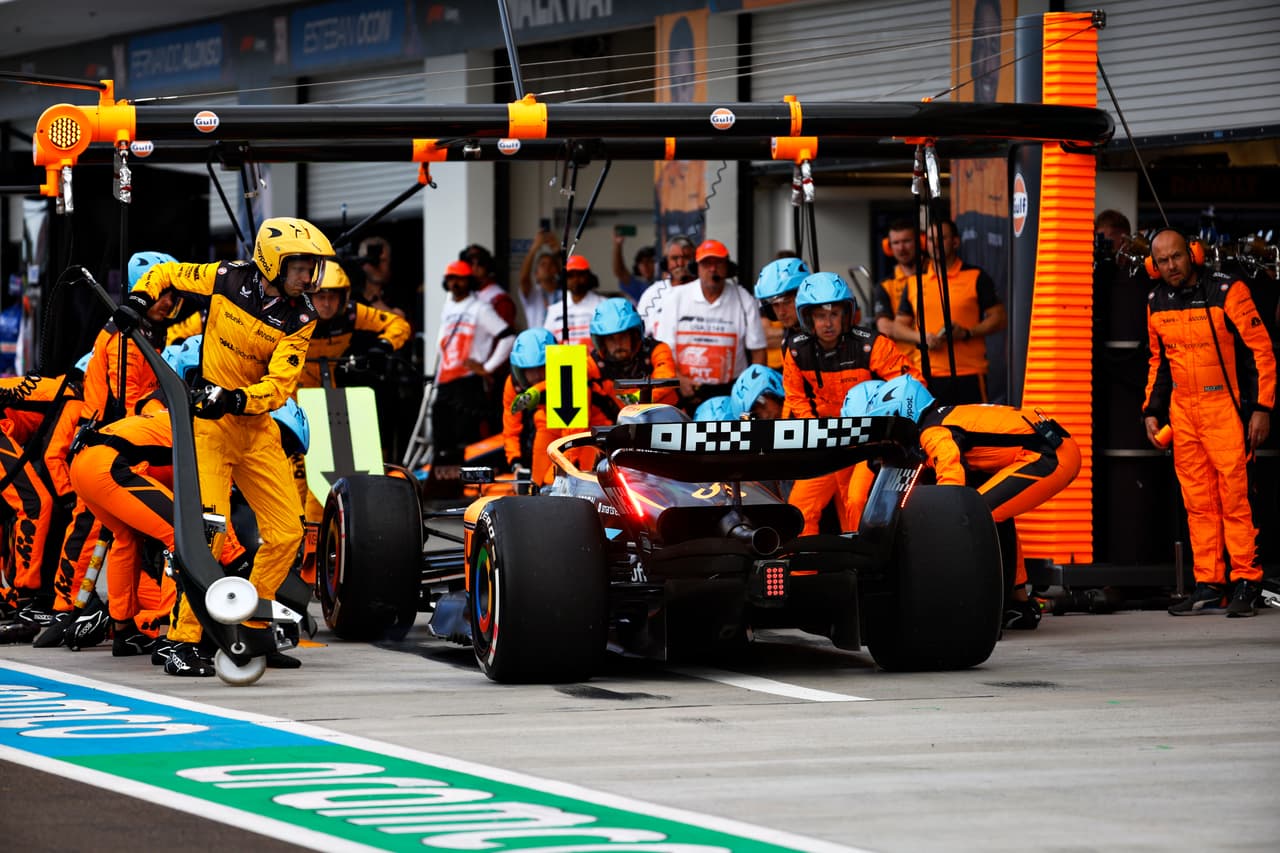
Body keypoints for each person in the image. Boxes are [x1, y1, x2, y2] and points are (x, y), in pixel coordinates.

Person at [114, 216, 334, 672]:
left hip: (255, 430)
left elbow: (279, 385)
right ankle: (181, 639)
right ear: (272, 261)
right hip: (208, 432)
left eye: (313, 268)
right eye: (300, 267)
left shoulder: (302, 317)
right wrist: (138, 299)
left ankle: (250, 630)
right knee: (207, 536)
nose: (308, 278)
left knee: (287, 533)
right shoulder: (226, 277)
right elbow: (166, 274)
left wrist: (236, 398)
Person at [844, 374, 1082, 629]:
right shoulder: (942, 418)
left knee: (973, 516)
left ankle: (982, 605)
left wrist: (945, 524)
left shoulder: (933, 432)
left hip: (1049, 454)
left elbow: (950, 475)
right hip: (1050, 447)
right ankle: (1018, 604)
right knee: (989, 514)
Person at [1142, 230, 1275, 617]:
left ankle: (1246, 581)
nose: (1171, 266)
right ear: (1154, 265)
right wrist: (1151, 410)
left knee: (1235, 498)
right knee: (1198, 503)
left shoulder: (1227, 291)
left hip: (1226, 409)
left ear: (1194, 254)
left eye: (1177, 257)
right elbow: (1158, 363)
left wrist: (1263, 407)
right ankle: (1209, 583)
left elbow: (1260, 352)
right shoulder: (1155, 302)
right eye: (1163, 261)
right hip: (1183, 414)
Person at [784, 272, 920, 534]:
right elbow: (795, 398)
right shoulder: (796, 350)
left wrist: (887, 428)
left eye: (835, 314)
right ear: (808, 317)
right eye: (821, 315)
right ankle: (802, 574)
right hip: (825, 441)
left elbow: (913, 386)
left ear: (847, 314)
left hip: (867, 443)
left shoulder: (872, 345)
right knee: (799, 510)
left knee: (857, 503)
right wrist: (814, 433)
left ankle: (863, 571)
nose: (828, 322)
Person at [894, 218, 1006, 404]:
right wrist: (923, 338)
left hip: (969, 372)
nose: (935, 244)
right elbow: (898, 327)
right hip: (927, 373)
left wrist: (968, 333)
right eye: (930, 239)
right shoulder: (915, 282)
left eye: (942, 238)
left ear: (955, 241)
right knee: (930, 431)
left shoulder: (976, 276)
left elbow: (1000, 318)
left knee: (973, 431)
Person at [655, 239, 767, 412]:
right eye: (707, 264)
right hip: (685, 389)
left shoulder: (744, 299)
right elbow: (661, 350)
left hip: (730, 391)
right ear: (697, 268)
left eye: (718, 263)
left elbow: (758, 351)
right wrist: (677, 379)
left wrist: (750, 392)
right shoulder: (676, 297)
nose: (712, 269)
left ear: (728, 268)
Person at [433, 259, 516, 477]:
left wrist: (487, 367)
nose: (455, 284)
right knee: (443, 439)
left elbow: (508, 337)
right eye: (451, 279)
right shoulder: (449, 305)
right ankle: (446, 486)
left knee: (466, 438)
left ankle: (469, 486)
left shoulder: (480, 308)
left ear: (469, 281)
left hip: (468, 383)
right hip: (445, 383)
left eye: (460, 279)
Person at [588, 297, 678, 413]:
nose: (618, 344)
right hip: (615, 426)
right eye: (611, 339)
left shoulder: (657, 349)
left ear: (634, 335)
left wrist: (636, 400)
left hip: (664, 421)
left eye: (623, 336)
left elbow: (666, 376)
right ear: (601, 342)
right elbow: (572, 379)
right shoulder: (593, 363)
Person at [872, 219, 928, 360]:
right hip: (906, 363)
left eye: (906, 241)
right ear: (888, 247)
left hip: (939, 361)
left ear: (920, 242)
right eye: (896, 243)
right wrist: (922, 337)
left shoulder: (937, 277)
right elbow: (885, 328)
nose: (901, 248)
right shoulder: (885, 285)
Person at [754, 256, 810, 375]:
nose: (781, 312)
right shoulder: (789, 335)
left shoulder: (824, 334)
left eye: (787, 302)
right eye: (775, 305)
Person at [636, 235, 696, 338]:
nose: (680, 263)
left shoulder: (704, 291)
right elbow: (639, 334)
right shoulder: (652, 293)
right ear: (665, 263)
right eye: (675, 258)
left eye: (686, 258)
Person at [544, 255, 605, 348]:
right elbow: (546, 342)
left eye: (580, 274)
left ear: (589, 277)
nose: (576, 279)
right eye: (570, 276)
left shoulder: (603, 305)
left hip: (593, 362)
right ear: (564, 279)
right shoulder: (554, 310)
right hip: (562, 361)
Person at [462, 244, 517, 327]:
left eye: (480, 263)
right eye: (470, 263)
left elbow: (506, 336)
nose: (474, 268)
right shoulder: (464, 295)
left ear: (488, 266)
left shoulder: (500, 299)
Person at [517, 228, 561, 330]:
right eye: (543, 264)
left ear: (557, 270)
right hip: (537, 343)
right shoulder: (533, 293)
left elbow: (569, 276)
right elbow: (523, 278)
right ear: (536, 273)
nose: (547, 267)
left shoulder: (563, 293)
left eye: (551, 264)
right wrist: (534, 247)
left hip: (558, 344)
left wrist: (557, 250)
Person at [356, 236, 407, 320]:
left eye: (383, 260)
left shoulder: (397, 293)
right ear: (361, 261)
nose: (378, 265)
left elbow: (401, 323)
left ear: (389, 262)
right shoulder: (351, 293)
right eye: (372, 260)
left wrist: (374, 301)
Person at [611, 233, 657, 304]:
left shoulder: (666, 281)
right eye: (641, 263)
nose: (645, 266)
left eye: (649, 261)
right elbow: (620, 272)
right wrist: (618, 245)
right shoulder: (641, 287)